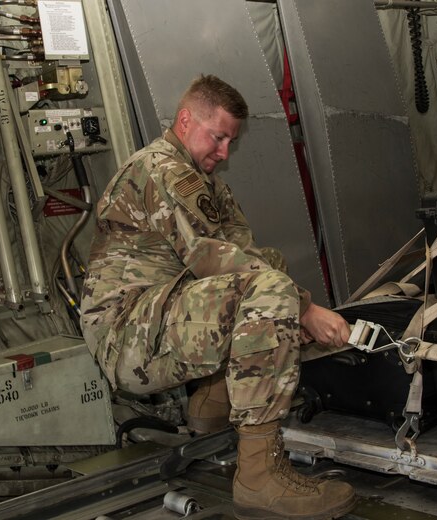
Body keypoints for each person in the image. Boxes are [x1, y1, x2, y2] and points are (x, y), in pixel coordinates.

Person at [80, 74, 356, 520]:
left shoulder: (204, 180)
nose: (224, 152)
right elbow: (210, 257)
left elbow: (246, 255)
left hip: (160, 317)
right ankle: (259, 476)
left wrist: (290, 299)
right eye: (219, 136)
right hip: (127, 333)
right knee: (270, 290)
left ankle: (213, 401)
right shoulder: (162, 170)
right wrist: (306, 309)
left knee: (269, 267)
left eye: (231, 140)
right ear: (186, 120)